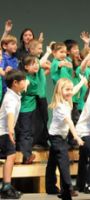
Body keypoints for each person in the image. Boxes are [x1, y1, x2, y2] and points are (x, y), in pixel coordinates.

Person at [46, 78, 84, 200]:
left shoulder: (67, 99)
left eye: (71, 89)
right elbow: (70, 122)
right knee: (64, 161)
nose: (70, 92)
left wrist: (82, 82)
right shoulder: (60, 106)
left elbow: (74, 90)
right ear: (59, 91)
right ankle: (67, 189)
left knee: (52, 161)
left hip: (60, 136)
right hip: (56, 137)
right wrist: (77, 137)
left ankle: (50, 186)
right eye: (67, 90)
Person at [0, 69, 26, 199]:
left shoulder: (14, 95)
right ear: (15, 83)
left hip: (4, 131)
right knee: (11, 155)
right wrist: (11, 131)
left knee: (11, 156)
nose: (26, 83)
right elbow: (10, 115)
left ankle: (6, 186)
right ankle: (6, 186)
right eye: (23, 81)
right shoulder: (10, 98)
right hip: (3, 132)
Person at [15, 55, 40, 164]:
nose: (35, 65)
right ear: (25, 67)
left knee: (31, 132)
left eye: (36, 63)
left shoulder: (36, 74)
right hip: (25, 110)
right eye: (32, 64)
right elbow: (26, 83)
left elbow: (41, 64)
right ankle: (26, 155)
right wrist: (25, 85)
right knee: (26, 133)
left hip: (32, 107)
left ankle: (27, 156)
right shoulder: (26, 78)